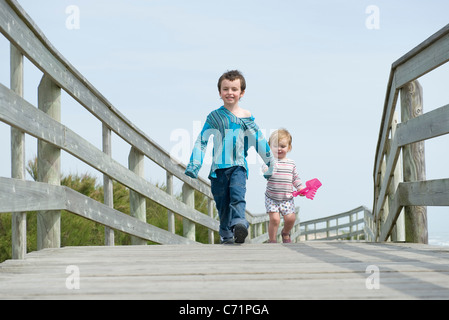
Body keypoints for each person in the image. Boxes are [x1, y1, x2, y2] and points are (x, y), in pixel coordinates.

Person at [185, 70, 275, 244]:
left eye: (234, 89)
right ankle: (226, 233)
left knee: (237, 196)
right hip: (218, 169)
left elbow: (260, 142)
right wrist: (194, 165)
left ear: (242, 93)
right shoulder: (214, 117)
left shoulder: (247, 118)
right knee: (222, 204)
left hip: (238, 166)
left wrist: (270, 164)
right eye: (225, 89)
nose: (230, 92)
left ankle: (240, 223)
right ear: (219, 92)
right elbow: (202, 141)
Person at [264, 128, 304, 243]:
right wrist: (267, 170)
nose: (279, 149)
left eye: (282, 146)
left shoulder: (291, 163)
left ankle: (285, 232)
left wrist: (300, 188)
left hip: (287, 198)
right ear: (270, 147)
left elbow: (295, 178)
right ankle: (272, 240)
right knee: (275, 219)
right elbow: (265, 171)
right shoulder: (269, 161)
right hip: (272, 198)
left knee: (291, 218)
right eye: (275, 146)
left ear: (289, 147)